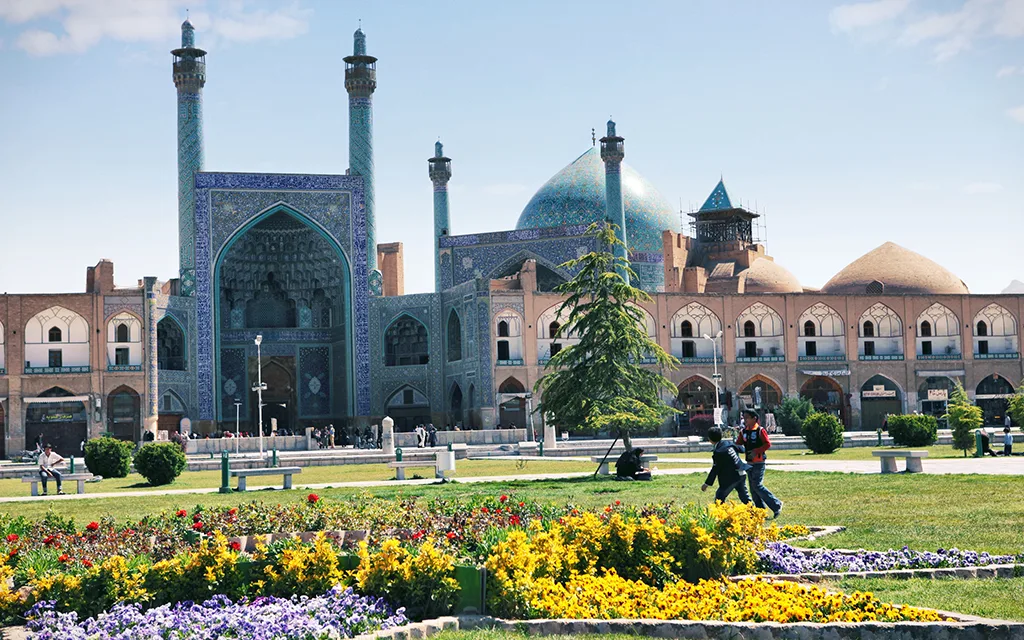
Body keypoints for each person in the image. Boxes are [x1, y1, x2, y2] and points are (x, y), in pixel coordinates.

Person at [738, 409, 783, 518]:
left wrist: (756, 451)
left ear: (754, 418)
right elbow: (738, 444)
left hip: (759, 462)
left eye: (747, 418)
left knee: (757, 485)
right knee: (753, 489)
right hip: (748, 463)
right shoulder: (743, 432)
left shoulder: (760, 430)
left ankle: (776, 504)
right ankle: (760, 512)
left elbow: (767, 444)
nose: (745, 420)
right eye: (744, 418)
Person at [701, 427, 751, 503]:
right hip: (741, 472)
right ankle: (755, 513)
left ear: (710, 439)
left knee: (719, 497)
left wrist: (707, 484)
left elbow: (715, 469)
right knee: (744, 497)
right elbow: (742, 449)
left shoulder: (719, 452)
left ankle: (719, 514)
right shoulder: (728, 443)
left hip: (731, 477)